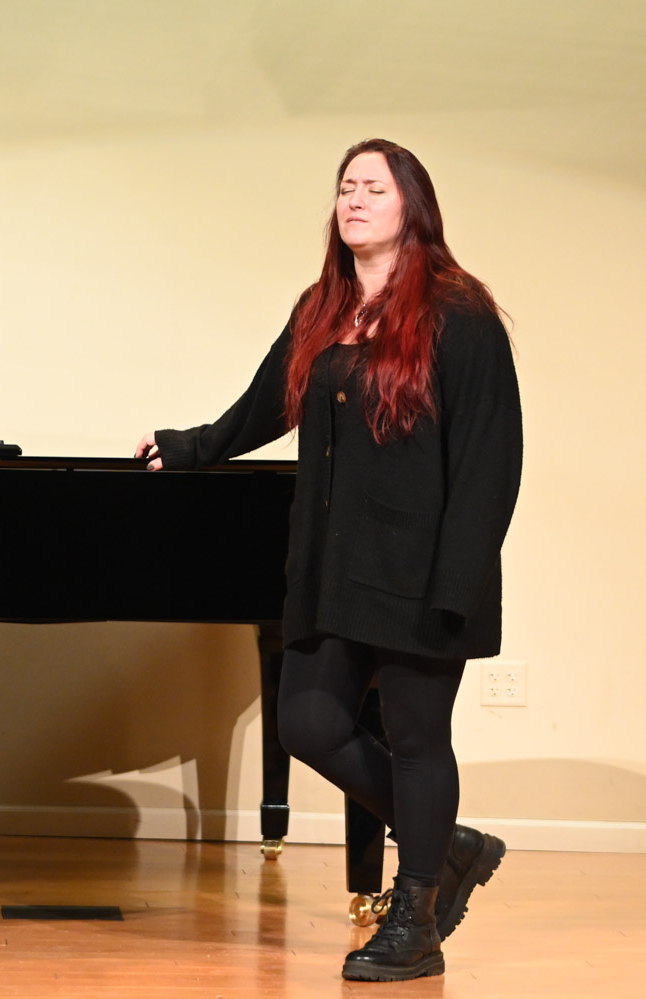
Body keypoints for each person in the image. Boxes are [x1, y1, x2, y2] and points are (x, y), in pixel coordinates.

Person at [136, 139, 521, 982]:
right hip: (335, 566)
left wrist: (458, 582)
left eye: (373, 187)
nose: (354, 200)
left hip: (424, 572)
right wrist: (192, 446)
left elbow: (490, 460)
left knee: (417, 739)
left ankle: (414, 919)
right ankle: (447, 841)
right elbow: (265, 405)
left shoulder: (460, 315)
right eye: (346, 187)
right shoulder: (323, 307)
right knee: (309, 720)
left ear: (411, 204)